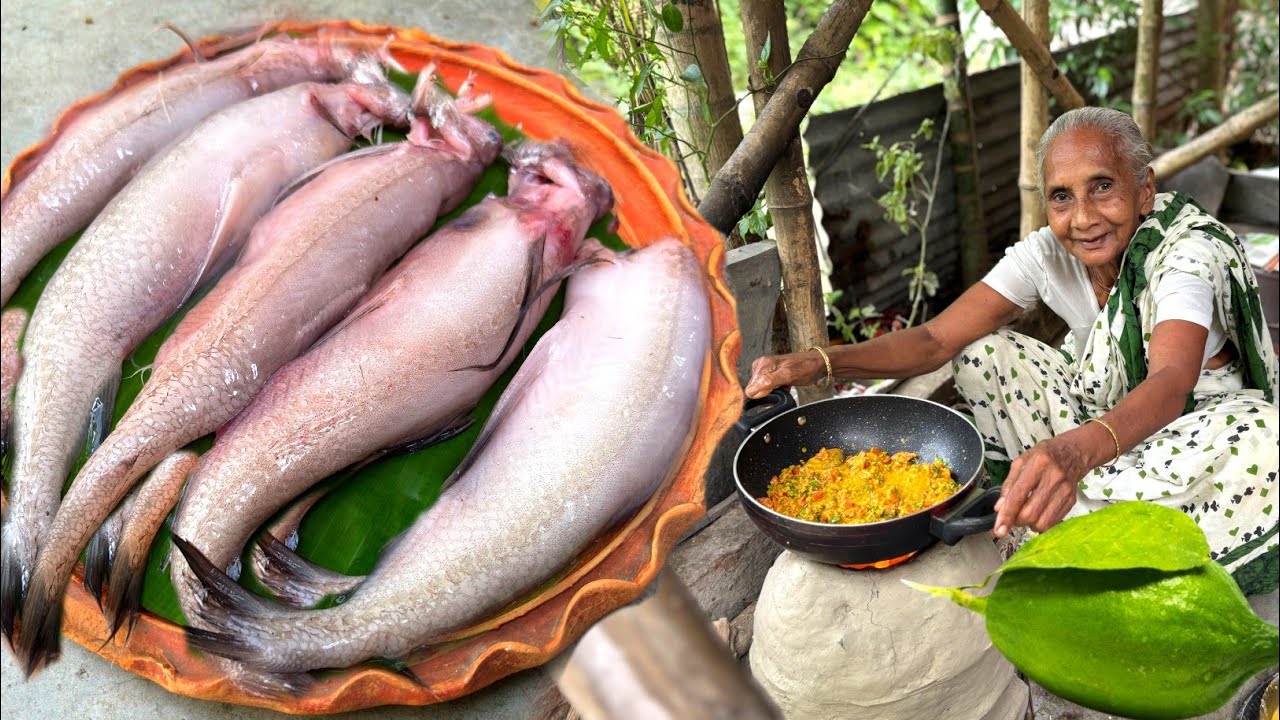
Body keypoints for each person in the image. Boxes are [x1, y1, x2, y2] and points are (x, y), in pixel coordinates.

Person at [744, 107, 1279, 595]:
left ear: (1144, 191)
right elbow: (935, 339)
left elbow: (1170, 380)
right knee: (983, 352)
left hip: (1188, 432)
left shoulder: (1184, 252)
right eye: (1061, 196)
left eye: (1103, 187)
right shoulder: (1048, 253)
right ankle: (1068, 501)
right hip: (1101, 420)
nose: (1083, 217)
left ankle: (1082, 514)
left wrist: (1071, 453)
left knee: (1266, 440)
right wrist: (824, 360)